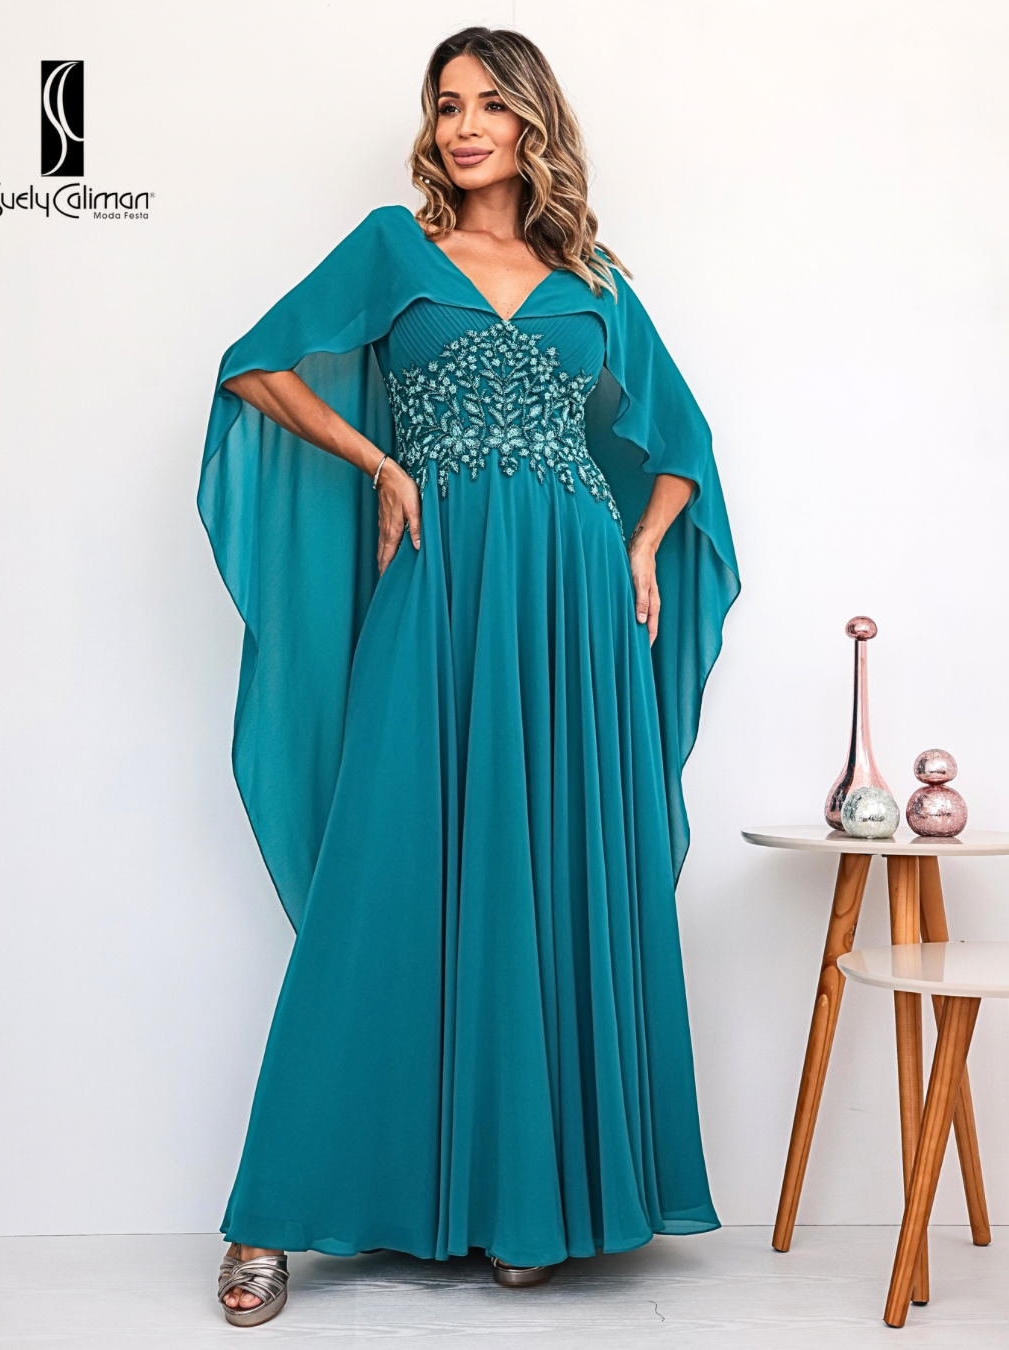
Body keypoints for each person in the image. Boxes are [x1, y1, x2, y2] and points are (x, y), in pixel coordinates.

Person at [199, 25, 740, 1328]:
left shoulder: (593, 280)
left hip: (572, 600)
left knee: (548, 870)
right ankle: (270, 1215)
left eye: (491, 104)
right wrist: (382, 465)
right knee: (382, 873)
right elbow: (254, 365)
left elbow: (686, 443)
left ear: (532, 122)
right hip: (441, 581)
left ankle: (524, 1202)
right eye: (447, 105)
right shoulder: (396, 248)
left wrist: (642, 547)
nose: (464, 126)